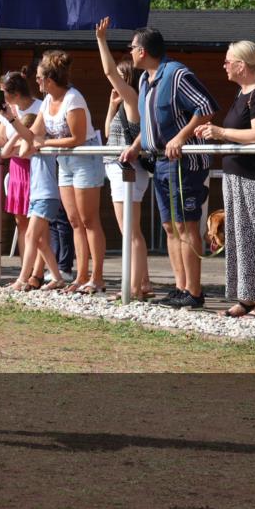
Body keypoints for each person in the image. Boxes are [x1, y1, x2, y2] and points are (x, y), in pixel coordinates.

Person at [121, 28, 219, 309]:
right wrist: (136, 146)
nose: (130, 52)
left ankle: (194, 291)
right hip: (160, 162)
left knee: (185, 225)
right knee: (169, 226)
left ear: (142, 51)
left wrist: (181, 137)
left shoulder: (176, 74)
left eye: (132, 48)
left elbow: (206, 107)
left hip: (184, 164)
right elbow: (149, 124)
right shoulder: (144, 80)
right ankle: (180, 287)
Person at [196, 41, 255, 319]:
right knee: (239, 236)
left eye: (227, 61)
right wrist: (215, 132)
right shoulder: (242, 93)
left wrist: (220, 132)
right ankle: (246, 297)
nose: (224, 65)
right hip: (236, 175)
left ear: (241, 65)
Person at [26, 50, 106, 294]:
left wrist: (45, 143)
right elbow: (34, 132)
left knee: (89, 220)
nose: (37, 81)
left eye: (39, 77)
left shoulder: (73, 99)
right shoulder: (47, 101)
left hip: (84, 158)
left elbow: (77, 138)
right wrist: (12, 122)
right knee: (74, 221)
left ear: (50, 79)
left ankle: (97, 277)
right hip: (65, 161)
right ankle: (81, 276)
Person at [95, 17, 153, 299]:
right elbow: (109, 133)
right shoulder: (123, 104)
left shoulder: (132, 98)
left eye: (119, 77)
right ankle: (142, 284)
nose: (112, 82)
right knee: (130, 230)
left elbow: (108, 71)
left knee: (130, 231)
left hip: (127, 170)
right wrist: (110, 106)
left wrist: (101, 40)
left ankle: (133, 288)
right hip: (118, 169)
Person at [2, 108, 68, 292]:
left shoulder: (41, 143)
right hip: (36, 195)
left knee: (31, 236)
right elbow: (8, 152)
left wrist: (24, 134)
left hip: (46, 195)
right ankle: (57, 278)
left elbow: (24, 151)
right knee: (40, 242)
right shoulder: (33, 144)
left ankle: (22, 279)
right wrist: (19, 134)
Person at [0, 71, 42, 288]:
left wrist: (15, 147)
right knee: (21, 222)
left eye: (4, 92)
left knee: (38, 223)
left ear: (16, 93)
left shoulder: (39, 107)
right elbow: (2, 140)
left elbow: (37, 139)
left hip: (34, 167)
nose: (2, 97)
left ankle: (37, 273)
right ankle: (24, 270)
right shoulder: (8, 112)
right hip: (16, 169)